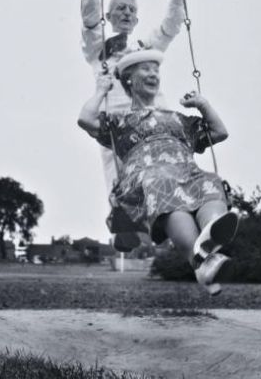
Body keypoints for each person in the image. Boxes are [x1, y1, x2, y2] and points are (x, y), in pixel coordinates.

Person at [78, 48, 239, 294]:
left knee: (210, 181)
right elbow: (86, 119)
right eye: (146, 69)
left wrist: (203, 105)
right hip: (146, 177)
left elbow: (219, 132)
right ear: (129, 79)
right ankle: (200, 259)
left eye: (156, 70)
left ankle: (210, 241)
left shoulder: (179, 119)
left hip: (186, 171)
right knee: (163, 183)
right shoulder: (120, 121)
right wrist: (101, 90)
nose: (153, 74)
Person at [81, 0, 187, 249]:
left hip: (150, 115)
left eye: (132, 10)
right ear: (110, 17)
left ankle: (166, 218)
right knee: (118, 171)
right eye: (120, 9)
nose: (126, 13)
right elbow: (89, 17)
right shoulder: (99, 47)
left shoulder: (145, 47)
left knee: (162, 162)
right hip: (115, 117)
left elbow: (171, 25)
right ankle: (124, 222)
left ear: (137, 20)